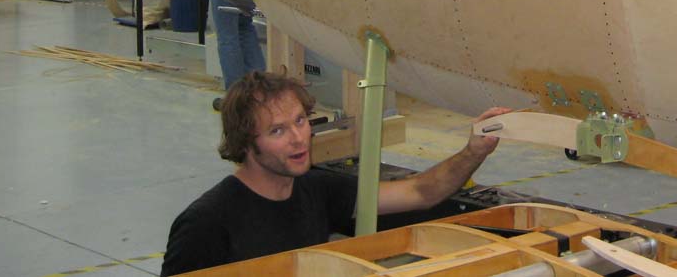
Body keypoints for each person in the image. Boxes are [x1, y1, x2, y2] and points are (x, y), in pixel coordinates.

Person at [160, 72, 511, 275]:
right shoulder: (207, 223)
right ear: (245, 143)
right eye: (277, 130)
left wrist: (473, 151)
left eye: (300, 121)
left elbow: (421, 192)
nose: (299, 138)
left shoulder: (315, 190)